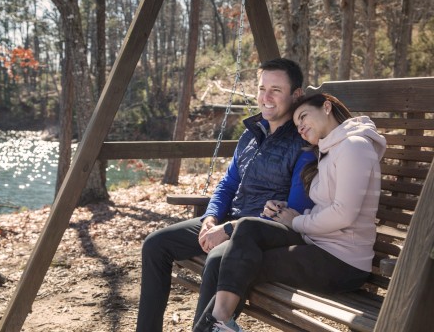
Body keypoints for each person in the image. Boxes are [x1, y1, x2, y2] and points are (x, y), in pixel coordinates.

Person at [135, 58, 315, 332]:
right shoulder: (251, 135)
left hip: (261, 237)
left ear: (296, 94)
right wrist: (211, 217)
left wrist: (229, 231)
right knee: (156, 245)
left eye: (276, 90)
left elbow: (294, 209)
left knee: (218, 259)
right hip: (227, 220)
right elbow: (227, 184)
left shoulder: (303, 142)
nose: (265, 97)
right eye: (261, 87)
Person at [195, 93, 386, 332]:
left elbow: (343, 213)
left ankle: (215, 325)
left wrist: (297, 221)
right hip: (318, 247)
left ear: (326, 107)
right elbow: (325, 206)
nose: (301, 127)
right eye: (296, 124)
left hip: (343, 262)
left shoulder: (355, 146)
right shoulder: (329, 150)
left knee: (240, 263)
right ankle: (220, 322)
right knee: (248, 227)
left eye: (304, 117)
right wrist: (283, 209)